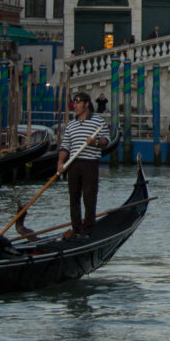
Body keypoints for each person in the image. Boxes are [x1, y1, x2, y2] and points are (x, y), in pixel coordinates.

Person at [58, 91, 109, 239]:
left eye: (78, 103)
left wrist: (95, 142)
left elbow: (106, 141)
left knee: (89, 197)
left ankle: (87, 231)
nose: (75, 106)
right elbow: (65, 146)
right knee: (73, 197)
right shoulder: (71, 125)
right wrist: (60, 163)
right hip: (73, 164)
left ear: (86, 104)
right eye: (75, 103)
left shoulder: (98, 122)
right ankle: (77, 230)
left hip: (90, 163)